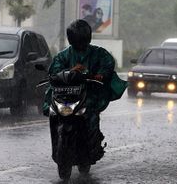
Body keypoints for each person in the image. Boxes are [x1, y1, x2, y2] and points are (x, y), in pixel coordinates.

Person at [43, 19, 127, 163]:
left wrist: (100, 74)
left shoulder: (98, 53)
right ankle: (58, 148)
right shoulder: (63, 55)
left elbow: (108, 64)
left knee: (91, 115)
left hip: (88, 94)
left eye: (81, 40)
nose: (79, 43)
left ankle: (93, 146)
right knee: (53, 111)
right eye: (76, 40)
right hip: (65, 95)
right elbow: (55, 70)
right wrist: (70, 71)